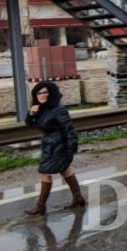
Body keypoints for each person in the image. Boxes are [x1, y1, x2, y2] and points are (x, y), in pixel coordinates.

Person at [24, 81, 85, 215]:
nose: (41, 95)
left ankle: (41, 206)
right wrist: (31, 113)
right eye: (38, 93)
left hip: (59, 146)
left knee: (45, 173)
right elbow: (30, 123)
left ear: (51, 93)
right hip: (49, 145)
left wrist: (71, 148)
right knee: (65, 170)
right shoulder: (41, 109)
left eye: (44, 92)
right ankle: (78, 197)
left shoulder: (58, 109)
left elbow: (69, 129)